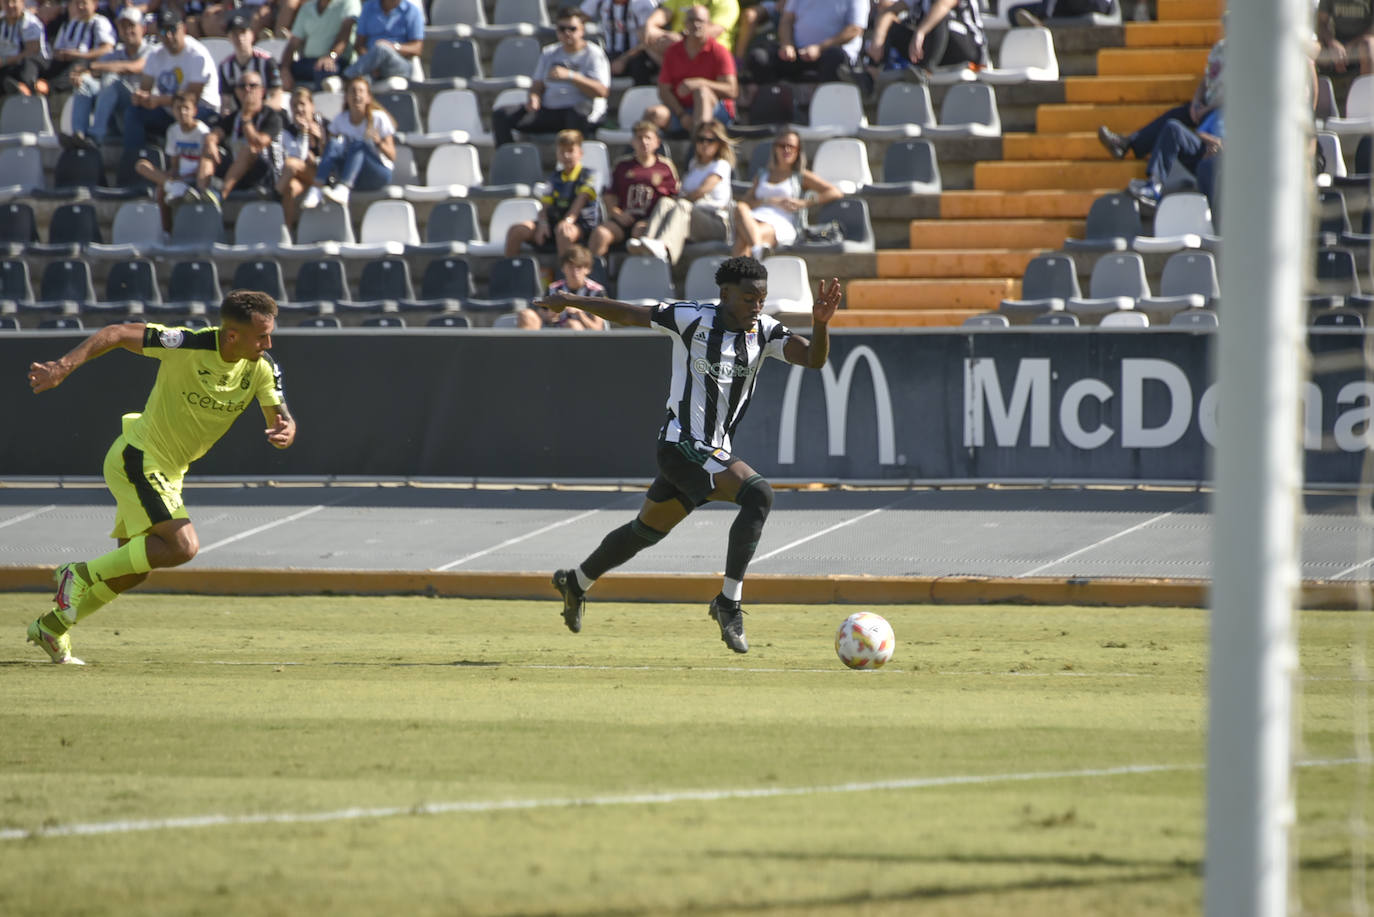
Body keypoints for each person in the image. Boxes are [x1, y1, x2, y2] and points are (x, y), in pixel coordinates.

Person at [543, 256, 842, 654]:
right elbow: (629, 313)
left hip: (711, 453)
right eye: (749, 297)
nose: (757, 305)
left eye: (762, 298)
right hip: (680, 445)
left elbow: (814, 359)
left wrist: (820, 325)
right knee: (758, 495)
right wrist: (569, 299)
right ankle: (728, 602)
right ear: (725, 294)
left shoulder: (766, 332)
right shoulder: (690, 318)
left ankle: (575, 581)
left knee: (644, 532)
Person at [24, 291, 296, 666]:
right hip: (139, 458)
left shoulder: (262, 367)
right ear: (232, 335)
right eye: (261, 335)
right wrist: (62, 367)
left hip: (168, 469)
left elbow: (279, 418)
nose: (269, 343)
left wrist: (286, 431)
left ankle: (51, 627)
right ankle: (78, 573)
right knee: (183, 547)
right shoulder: (186, 343)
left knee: (134, 570)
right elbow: (118, 332)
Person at [491, 7, 610, 147]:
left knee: (578, 113)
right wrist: (534, 97)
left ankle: (574, 162)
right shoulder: (549, 52)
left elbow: (602, 91)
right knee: (502, 114)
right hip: (549, 111)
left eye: (572, 29)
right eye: (562, 29)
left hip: (578, 112)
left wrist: (571, 76)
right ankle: (508, 159)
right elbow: (537, 85)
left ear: (582, 30)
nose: (567, 33)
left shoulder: (593, 54)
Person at [1097, 34, 1223, 163]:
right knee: (1174, 116)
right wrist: (1196, 102)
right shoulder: (1220, 48)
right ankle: (1126, 143)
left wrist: (1206, 109)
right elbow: (1206, 79)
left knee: (1174, 129)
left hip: (1220, 112)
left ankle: (1154, 177)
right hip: (1207, 105)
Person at [628, 118, 734, 263]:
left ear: (719, 143)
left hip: (716, 222)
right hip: (691, 217)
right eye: (700, 139)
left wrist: (681, 199)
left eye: (710, 140)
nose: (704, 144)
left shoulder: (721, 165)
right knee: (665, 202)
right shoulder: (693, 164)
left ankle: (664, 248)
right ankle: (647, 241)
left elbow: (701, 191)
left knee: (683, 205)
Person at [732, 128, 841, 259]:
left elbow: (834, 192)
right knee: (740, 208)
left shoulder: (801, 176)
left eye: (791, 146)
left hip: (782, 222)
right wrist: (769, 201)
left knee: (743, 239)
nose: (786, 150)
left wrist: (805, 202)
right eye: (782, 146)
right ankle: (758, 250)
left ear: (798, 151)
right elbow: (746, 202)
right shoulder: (762, 174)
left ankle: (738, 273)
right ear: (775, 149)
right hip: (755, 217)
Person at [124, 8, 220, 155]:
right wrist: (140, 97)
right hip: (169, 112)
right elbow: (145, 88)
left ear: (183, 28)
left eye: (172, 29)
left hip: (200, 111)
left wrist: (158, 100)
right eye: (163, 31)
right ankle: (134, 160)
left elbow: (191, 98)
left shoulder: (197, 54)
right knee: (134, 112)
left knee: (187, 113)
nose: (168, 36)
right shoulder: (155, 54)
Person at [299, 73, 394, 208]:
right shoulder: (340, 119)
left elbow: (392, 155)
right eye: (352, 91)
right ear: (346, 97)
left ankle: (343, 188)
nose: (356, 95)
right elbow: (328, 152)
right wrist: (319, 139)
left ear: (368, 97)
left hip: (377, 175)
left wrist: (378, 142)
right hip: (352, 177)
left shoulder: (379, 118)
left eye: (360, 91)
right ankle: (316, 189)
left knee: (358, 144)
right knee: (333, 143)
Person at [588, 118, 679, 259]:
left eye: (648, 138)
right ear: (633, 142)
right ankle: (593, 276)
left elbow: (672, 199)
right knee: (601, 233)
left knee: (640, 235)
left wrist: (652, 222)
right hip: (623, 219)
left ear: (657, 142)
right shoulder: (622, 165)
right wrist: (617, 213)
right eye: (639, 138)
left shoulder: (665, 167)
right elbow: (610, 194)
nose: (644, 142)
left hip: (650, 222)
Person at [504, 128, 599, 258]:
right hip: (553, 224)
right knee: (517, 230)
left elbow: (580, 201)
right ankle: (509, 274)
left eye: (570, 151)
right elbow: (545, 205)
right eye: (562, 151)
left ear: (580, 153)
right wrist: (543, 222)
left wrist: (568, 221)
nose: (566, 156)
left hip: (580, 225)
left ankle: (565, 275)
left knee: (563, 231)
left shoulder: (589, 175)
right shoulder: (554, 177)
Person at [66, 5, 153, 148]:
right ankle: (78, 134)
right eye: (123, 26)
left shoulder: (152, 50)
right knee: (85, 83)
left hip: (138, 111)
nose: (127, 30)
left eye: (131, 26)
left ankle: (95, 135)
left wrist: (92, 67)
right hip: (116, 114)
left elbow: (133, 67)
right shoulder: (116, 53)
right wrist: (79, 76)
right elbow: (92, 72)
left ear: (143, 29)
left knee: (112, 80)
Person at [644, 3, 736, 136]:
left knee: (701, 93)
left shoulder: (719, 51)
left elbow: (732, 90)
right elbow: (664, 90)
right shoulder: (673, 51)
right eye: (692, 20)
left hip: (716, 111)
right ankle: (645, 156)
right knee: (652, 114)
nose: (696, 25)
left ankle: (698, 149)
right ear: (685, 24)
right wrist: (681, 114)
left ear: (708, 24)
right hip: (681, 111)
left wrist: (700, 83)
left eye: (700, 21)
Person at [201, 68, 284, 199]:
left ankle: (221, 195)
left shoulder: (272, 117)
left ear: (262, 91)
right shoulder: (234, 117)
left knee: (249, 149)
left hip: (266, 173)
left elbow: (258, 143)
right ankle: (202, 196)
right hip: (237, 171)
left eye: (252, 86)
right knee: (208, 151)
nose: (247, 89)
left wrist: (246, 119)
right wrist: (211, 142)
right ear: (237, 92)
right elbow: (216, 133)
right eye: (242, 86)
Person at [135, 89, 211, 228]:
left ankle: (177, 188)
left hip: (197, 177)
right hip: (179, 179)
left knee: (163, 188)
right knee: (142, 166)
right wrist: (173, 175)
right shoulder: (173, 130)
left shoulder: (203, 132)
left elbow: (205, 163)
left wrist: (186, 177)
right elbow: (175, 163)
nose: (182, 112)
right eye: (178, 108)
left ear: (194, 110)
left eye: (186, 108)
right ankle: (166, 232)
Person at [744, 0, 864, 86]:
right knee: (759, 57)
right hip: (797, 53)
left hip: (833, 54)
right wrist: (787, 44)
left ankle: (826, 109)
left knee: (834, 57)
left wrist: (819, 48)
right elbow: (786, 20)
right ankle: (776, 106)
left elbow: (855, 29)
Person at [865, 0, 987, 78]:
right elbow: (889, 12)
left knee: (937, 17)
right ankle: (871, 76)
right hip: (934, 48)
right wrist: (878, 38)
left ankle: (925, 70)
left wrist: (920, 32)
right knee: (891, 27)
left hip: (968, 48)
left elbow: (943, 5)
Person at [517, 243, 608, 329]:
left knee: (573, 325)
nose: (574, 272)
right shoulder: (553, 289)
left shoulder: (596, 292)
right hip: (554, 334)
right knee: (526, 315)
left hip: (583, 338)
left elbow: (597, 328)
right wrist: (550, 315)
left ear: (587, 269)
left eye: (579, 267)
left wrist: (579, 314)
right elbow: (541, 314)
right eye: (570, 267)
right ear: (563, 268)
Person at [37, 0, 116, 96]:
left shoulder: (100, 22)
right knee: (36, 60)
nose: (80, 7)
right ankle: (27, 85)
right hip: (65, 59)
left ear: (94, 4)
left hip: (87, 60)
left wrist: (79, 54)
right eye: (78, 3)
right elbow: (57, 49)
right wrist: (62, 54)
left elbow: (107, 49)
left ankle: (49, 87)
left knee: (78, 65)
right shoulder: (69, 24)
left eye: (84, 3)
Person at [217, 9, 284, 116]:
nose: (240, 38)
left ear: (251, 35)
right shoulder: (225, 66)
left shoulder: (266, 61)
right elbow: (226, 103)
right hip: (241, 116)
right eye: (235, 34)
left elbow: (276, 98)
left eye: (243, 32)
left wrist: (257, 114)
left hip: (268, 115)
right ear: (229, 38)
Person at [280, 0, 358, 91]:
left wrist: (331, 56)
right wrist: (284, 68)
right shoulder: (307, 7)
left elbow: (346, 33)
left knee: (324, 70)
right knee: (277, 71)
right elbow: (293, 43)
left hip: (338, 61)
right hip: (309, 62)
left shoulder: (349, 2)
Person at [277, 85, 328, 225]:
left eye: (302, 104)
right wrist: (304, 133)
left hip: (322, 176)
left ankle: (274, 195)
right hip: (301, 175)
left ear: (312, 106)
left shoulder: (325, 125)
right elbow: (299, 156)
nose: (299, 109)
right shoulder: (287, 131)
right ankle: (286, 232)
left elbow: (331, 157)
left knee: (291, 164)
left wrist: (321, 142)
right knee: (290, 188)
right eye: (294, 106)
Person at [582, 0, 660, 86]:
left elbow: (648, 39)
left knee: (639, 66)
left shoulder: (642, 3)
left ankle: (642, 96)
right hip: (609, 53)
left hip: (637, 53)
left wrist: (623, 59)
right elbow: (578, 19)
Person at [342, 0, 423, 82]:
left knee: (382, 48)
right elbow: (359, 45)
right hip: (372, 65)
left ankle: (346, 78)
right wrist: (372, 62)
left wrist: (392, 47)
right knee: (379, 51)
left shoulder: (411, 11)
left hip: (399, 63)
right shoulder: (368, 7)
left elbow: (417, 48)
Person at [0, 0, 52, 96]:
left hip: (34, 61)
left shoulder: (30, 22)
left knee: (28, 63)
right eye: (6, 2)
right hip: (7, 62)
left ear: (22, 2)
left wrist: (5, 61)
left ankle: (29, 89)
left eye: (14, 2)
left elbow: (32, 50)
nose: (10, 5)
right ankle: (14, 86)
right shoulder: (2, 20)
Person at [1317, 0, 1374, 74]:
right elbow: (1322, 23)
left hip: (1364, 41)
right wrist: (1332, 42)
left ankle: (1367, 84)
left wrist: (1353, 44)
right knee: (1313, 48)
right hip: (1338, 42)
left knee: (1367, 46)